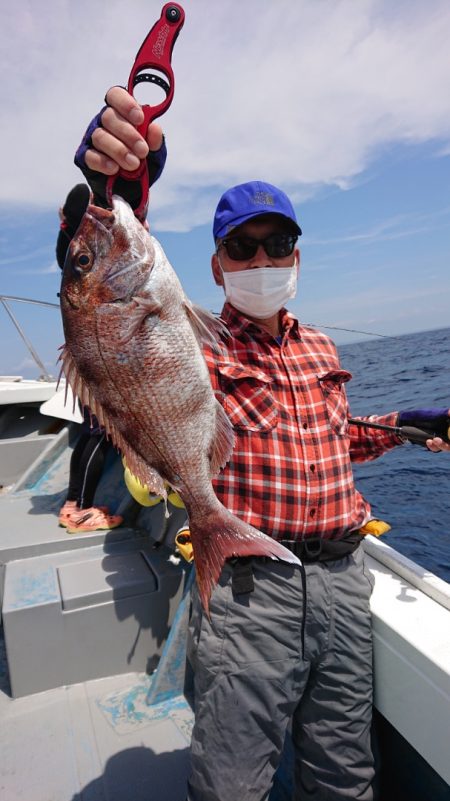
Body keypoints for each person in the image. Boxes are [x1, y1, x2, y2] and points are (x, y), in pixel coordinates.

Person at [74, 87, 450, 800]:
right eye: (242, 247)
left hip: (343, 584)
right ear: (215, 266)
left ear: (297, 254)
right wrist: (122, 180)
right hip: (252, 592)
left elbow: (332, 438)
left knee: (345, 774)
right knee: (231, 783)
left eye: (277, 243)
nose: (262, 258)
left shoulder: (320, 345)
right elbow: (129, 343)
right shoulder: (200, 343)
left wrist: (407, 423)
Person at [57, 183, 123, 532]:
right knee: (97, 432)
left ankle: (73, 503)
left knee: (91, 431)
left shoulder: (72, 248)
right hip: (96, 357)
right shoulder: (83, 248)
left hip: (88, 355)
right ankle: (79, 508)